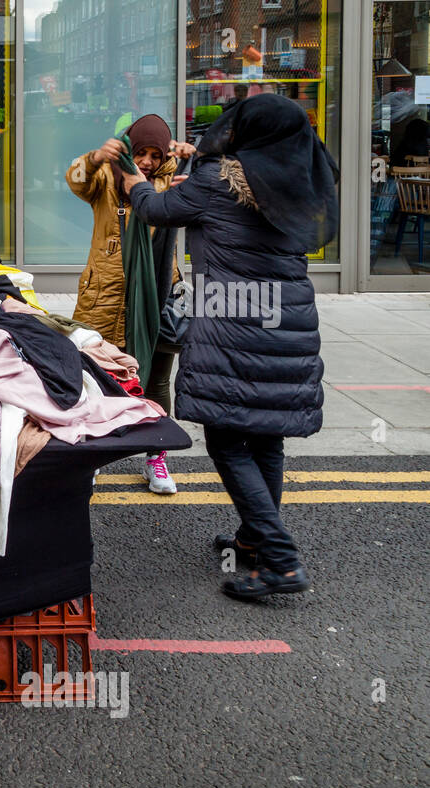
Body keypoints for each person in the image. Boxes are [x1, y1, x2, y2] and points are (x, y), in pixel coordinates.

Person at [124, 93, 338, 601]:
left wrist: (134, 181)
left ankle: (281, 562)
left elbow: (155, 210)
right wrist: (195, 171)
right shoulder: (296, 180)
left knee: (224, 437)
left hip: (233, 319)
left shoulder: (216, 181)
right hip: (287, 320)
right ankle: (255, 539)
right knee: (265, 434)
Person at [66, 114, 195, 495]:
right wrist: (93, 158)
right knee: (95, 380)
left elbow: (206, 198)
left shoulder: (172, 180)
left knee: (155, 380)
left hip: (156, 293)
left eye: (156, 155)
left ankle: (156, 456)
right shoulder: (104, 176)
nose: (149, 162)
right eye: (142, 153)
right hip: (103, 295)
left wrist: (198, 158)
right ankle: (93, 456)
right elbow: (75, 179)